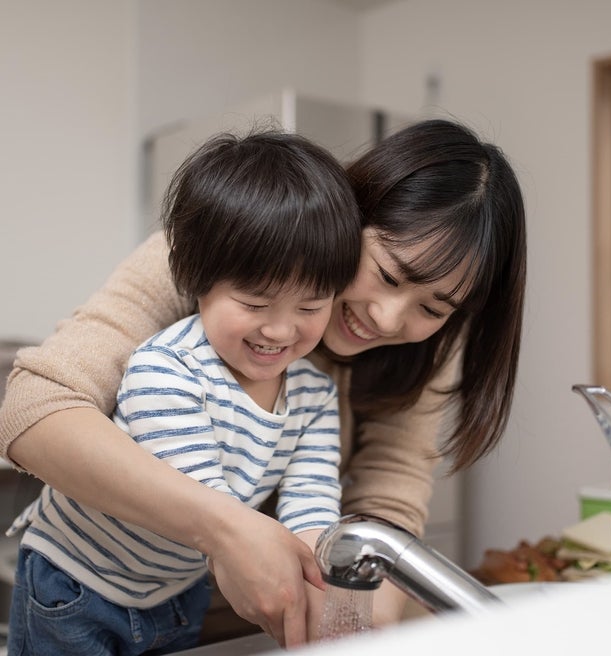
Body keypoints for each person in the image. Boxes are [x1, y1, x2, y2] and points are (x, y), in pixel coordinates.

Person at [0, 118, 527, 648]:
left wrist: (354, 603)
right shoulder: (223, 250)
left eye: (433, 306)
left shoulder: (386, 364)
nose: (389, 319)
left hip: (220, 603)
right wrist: (225, 531)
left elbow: (386, 490)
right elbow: (36, 408)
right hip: (101, 582)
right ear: (348, 221)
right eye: (388, 275)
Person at [4, 130, 361, 656]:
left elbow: (311, 504)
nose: (281, 331)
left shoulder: (314, 396)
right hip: (76, 581)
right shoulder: (166, 367)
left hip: (175, 590)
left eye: (310, 308)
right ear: (197, 281)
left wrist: (320, 587)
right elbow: (209, 505)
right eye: (256, 303)